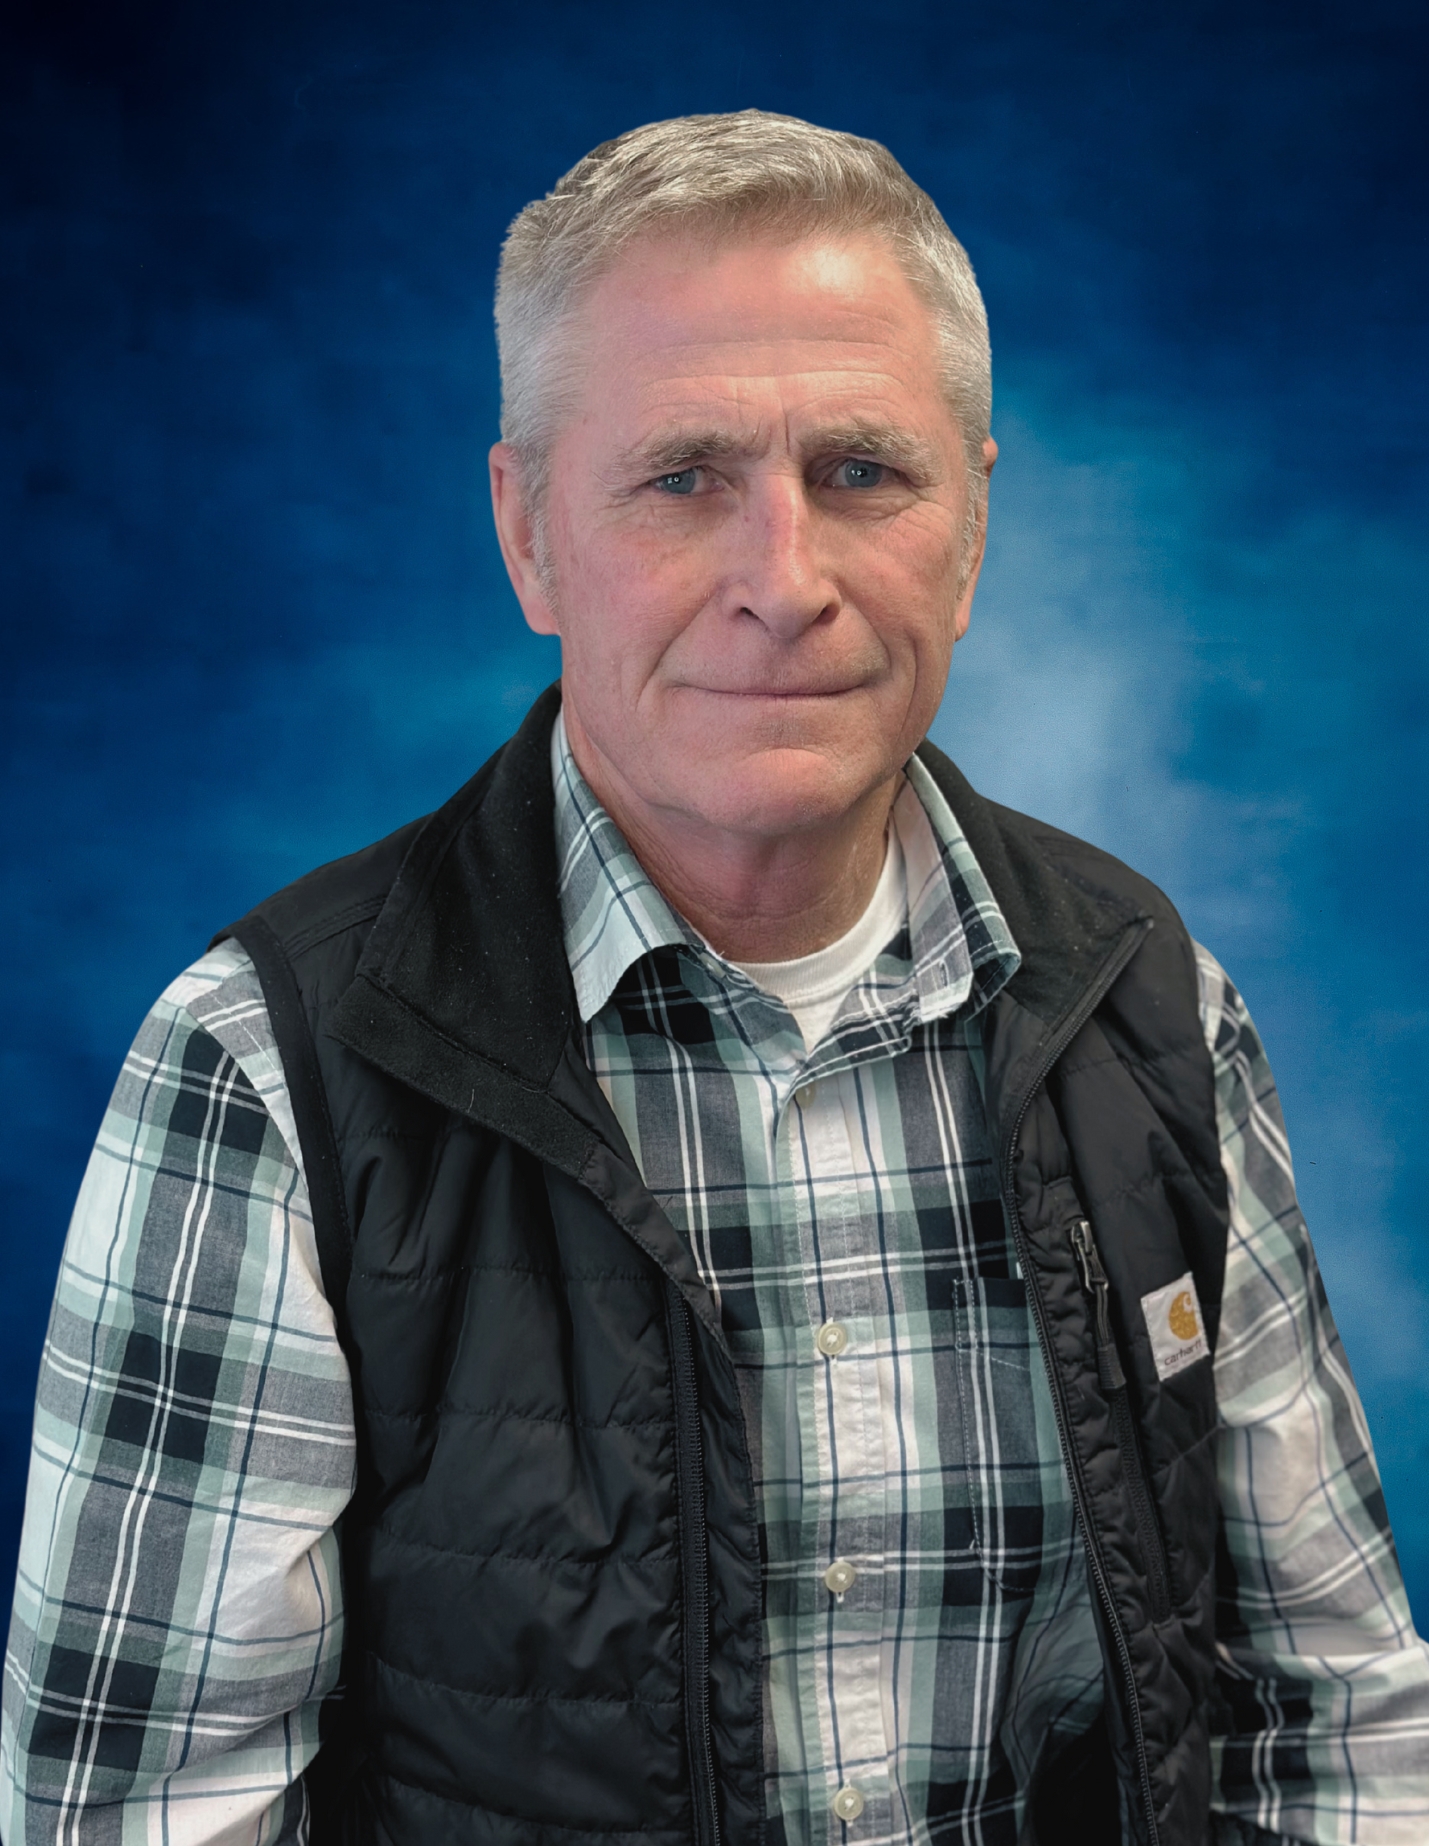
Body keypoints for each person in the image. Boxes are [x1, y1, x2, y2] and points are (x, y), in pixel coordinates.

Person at [2, 112, 1425, 1846]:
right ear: (528, 535)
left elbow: (1340, 1727)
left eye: (859, 473)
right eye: (682, 480)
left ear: (970, 524)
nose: (784, 582)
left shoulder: (1146, 1000)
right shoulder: (267, 1069)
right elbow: (143, 1816)